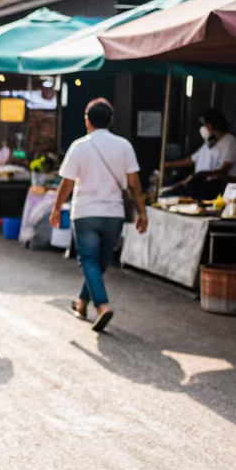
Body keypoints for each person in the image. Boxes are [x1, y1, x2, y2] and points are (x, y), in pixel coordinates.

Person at [51, 98, 148, 333]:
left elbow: (67, 183)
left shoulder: (79, 146)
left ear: (87, 121)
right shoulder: (124, 146)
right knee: (100, 261)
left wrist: (56, 208)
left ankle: (102, 305)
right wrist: (142, 212)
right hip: (113, 214)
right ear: (111, 120)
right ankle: (82, 302)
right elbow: (134, 183)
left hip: (85, 213)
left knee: (90, 261)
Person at [163, 108, 236, 200]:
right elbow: (194, 159)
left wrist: (200, 175)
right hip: (207, 184)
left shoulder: (230, 142)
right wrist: (167, 164)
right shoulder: (211, 141)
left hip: (226, 186)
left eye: (205, 125)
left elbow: (222, 171)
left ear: (210, 125)